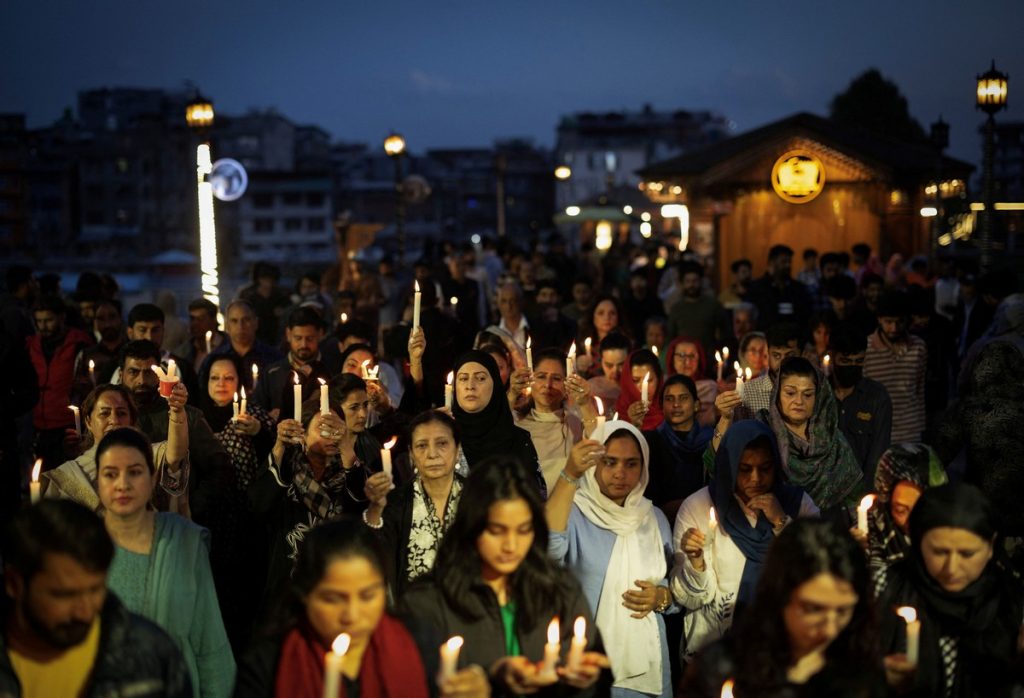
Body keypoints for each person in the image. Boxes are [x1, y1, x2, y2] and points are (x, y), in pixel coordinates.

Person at [402, 456, 610, 696]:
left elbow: (595, 677)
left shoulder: (558, 589)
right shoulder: (428, 602)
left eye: (523, 530)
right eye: (496, 531)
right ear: (472, 527)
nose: (511, 546)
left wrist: (587, 681)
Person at [234, 519, 451, 698]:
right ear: (305, 595)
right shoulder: (268, 664)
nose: (352, 615)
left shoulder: (418, 642)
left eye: (368, 596)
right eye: (333, 599)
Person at [1, 499, 192, 697]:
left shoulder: (152, 656)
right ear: (14, 585)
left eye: (95, 590)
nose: (84, 612)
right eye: (65, 595)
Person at [96, 428, 234, 697]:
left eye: (135, 472)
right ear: (98, 481)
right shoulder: (82, 549)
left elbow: (209, 641)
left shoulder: (182, 541)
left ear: (152, 477)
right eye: (110, 474)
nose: (122, 484)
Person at [681, 519, 885, 697]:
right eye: (813, 609)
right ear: (779, 595)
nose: (830, 629)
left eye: (842, 611)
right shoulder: (723, 668)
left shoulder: (858, 668)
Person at [547, 421, 677, 697]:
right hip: (588, 664)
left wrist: (661, 598)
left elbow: (675, 591)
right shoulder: (572, 512)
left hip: (649, 668)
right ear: (594, 464)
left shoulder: (653, 519)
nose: (620, 473)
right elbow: (547, 552)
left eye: (631, 464)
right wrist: (569, 474)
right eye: (610, 462)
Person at [672, 421, 817, 663]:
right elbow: (690, 599)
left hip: (780, 651)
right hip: (714, 651)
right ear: (728, 466)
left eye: (765, 468)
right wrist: (696, 564)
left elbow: (815, 576)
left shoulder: (798, 504)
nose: (756, 478)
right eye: (744, 469)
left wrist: (782, 522)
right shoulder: (698, 506)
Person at [250, 373, 382, 609]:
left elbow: (362, 504)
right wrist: (280, 447)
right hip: (287, 591)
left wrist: (346, 447)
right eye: (322, 428)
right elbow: (258, 504)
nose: (330, 435)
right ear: (303, 432)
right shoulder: (288, 472)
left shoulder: (351, 472)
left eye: (335, 429)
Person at [878, 483, 1023, 696]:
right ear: (918, 542)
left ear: (991, 546)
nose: (951, 569)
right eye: (939, 552)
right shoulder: (885, 587)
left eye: (967, 554)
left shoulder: (1012, 600)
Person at [362, 410, 465, 600]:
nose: (432, 454)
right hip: (414, 618)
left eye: (442, 444)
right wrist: (376, 507)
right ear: (411, 453)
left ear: (457, 449)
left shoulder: (478, 497)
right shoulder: (396, 502)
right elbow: (373, 553)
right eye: (421, 446)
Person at [43, 383, 190, 515]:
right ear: (88, 422)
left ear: (131, 421)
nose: (114, 420)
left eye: (121, 413)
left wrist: (177, 411)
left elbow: (176, 454)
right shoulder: (65, 475)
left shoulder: (148, 455)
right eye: (104, 413)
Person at [760, 357, 862, 512]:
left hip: (826, 529)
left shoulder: (833, 440)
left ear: (818, 397)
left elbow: (855, 499)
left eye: (807, 395)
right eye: (790, 393)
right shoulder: (763, 434)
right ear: (777, 394)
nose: (799, 401)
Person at [854, 444, 947, 591]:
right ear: (887, 502)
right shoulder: (866, 537)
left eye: (922, 507)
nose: (913, 519)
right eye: (901, 510)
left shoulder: (955, 535)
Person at [451, 350, 544, 494]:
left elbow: (534, 498)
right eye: (463, 379)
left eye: (481, 378)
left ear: (495, 385)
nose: (470, 386)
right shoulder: (445, 437)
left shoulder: (517, 440)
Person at [511, 348, 598, 493]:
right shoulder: (517, 424)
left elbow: (600, 445)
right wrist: (512, 393)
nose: (548, 385)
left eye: (556, 378)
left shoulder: (575, 423)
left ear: (567, 384)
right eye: (541, 376)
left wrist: (585, 404)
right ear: (530, 379)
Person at [27, 295, 93, 468]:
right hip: (38, 423)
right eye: (39, 321)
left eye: (48, 320)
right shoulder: (31, 345)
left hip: (67, 423)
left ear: (61, 317)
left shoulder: (79, 343)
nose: (43, 326)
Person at [828, 323, 892, 486]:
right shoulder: (815, 394)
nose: (852, 366)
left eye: (858, 361)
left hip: (859, 493)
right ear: (832, 356)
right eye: (845, 360)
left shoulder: (877, 397)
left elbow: (878, 455)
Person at [643, 375, 713, 521]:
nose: (676, 404)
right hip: (660, 519)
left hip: (702, 517)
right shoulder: (652, 441)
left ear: (696, 405)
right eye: (669, 399)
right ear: (661, 406)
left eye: (683, 398)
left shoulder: (711, 440)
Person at [863, 292, 927, 443]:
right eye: (888, 322)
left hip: (910, 429)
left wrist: (921, 426)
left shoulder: (918, 347)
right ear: (879, 319)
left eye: (900, 322)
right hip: (877, 430)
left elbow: (919, 391)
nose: (894, 328)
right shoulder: (866, 348)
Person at [250, 306, 331, 419]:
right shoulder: (273, 373)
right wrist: (268, 417)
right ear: (288, 334)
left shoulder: (331, 369)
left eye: (309, 338)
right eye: (298, 338)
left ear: (320, 334)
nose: (304, 345)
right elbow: (256, 408)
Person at [731, 322, 801, 421]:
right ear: (767, 354)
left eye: (790, 355)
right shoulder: (747, 392)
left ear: (802, 355)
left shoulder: (813, 390)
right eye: (776, 356)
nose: (783, 363)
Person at [666, 262, 726, 362]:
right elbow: (671, 338)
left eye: (695, 281)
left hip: (708, 359)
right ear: (682, 283)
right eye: (688, 281)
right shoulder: (676, 308)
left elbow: (724, 333)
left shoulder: (713, 305)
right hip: (683, 359)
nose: (691, 285)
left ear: (701, 281)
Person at [746, 245, 813, 330]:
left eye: (789, 262)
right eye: (783, 262)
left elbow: (806, 317)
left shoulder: (799, 289)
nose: (788, 265)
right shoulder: (756, 288)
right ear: (771, 263)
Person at [211, 299, 283, 373]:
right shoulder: (216, 358)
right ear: (227, 325)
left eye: (246, 320)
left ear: (256, 323)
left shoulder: (273, 358)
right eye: (234, 321)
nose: (240, 326)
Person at [664, 337, 717, 427]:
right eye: (681, 355)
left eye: (692, 356)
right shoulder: (662, 383)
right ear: (672, 358)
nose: (687, 362)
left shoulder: (710, 387)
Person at [238, 261, 293, 347]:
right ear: (259, 279)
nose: (269, 283)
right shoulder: (248, 295)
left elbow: (290, 312)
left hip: (275, 336)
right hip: (254, 335)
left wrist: (283, 313)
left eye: (272, 280)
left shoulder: (281, 295)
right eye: (266, 279)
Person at [617, 348, 663, 432]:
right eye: (635, 380)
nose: (643, 387)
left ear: (658, 379)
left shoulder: (668, 407)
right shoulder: (620, 410)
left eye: (649, 380)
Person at [587, 332, 630, 405]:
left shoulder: (639, 387)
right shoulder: (592, 387)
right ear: (601, 361)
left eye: (621, 364)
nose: (615, 371)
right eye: (609, 365)